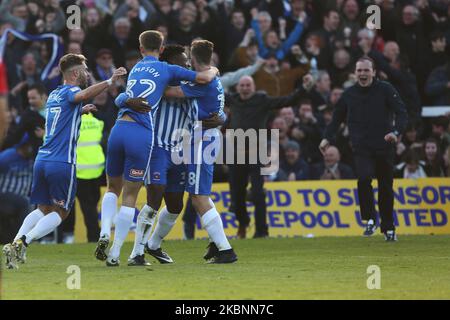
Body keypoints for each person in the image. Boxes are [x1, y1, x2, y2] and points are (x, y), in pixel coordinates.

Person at [97, 31, 219, 267]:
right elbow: (204, 79)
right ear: (165, 55)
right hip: (155, 146)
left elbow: (209, 102)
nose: (185, 64)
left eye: (187, 61)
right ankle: (136, 253)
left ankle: (149, 245)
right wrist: (213, 70)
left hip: (176, 150)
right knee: (152, 197)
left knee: (174, 204)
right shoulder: (165, 78)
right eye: (182, 61)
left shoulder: (169, 79)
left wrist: (219, 116)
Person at [2, 53, 127, 269]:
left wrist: (80, 111)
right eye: (85, 70)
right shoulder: (72, 91)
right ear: (76, 73)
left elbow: (66, 113)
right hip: (61, 162)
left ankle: (14, 243)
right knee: (61, 212)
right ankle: (25, 241)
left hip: (42, 159)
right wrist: (110, 80)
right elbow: (82, 95)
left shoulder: (54, 94)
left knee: (43, 208)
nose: (87, 74)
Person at [164, 40, 238, 264]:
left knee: (198, 197)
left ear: (193, 59)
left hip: (202, 142)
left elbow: (170, 92)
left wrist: (149, 79)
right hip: (204, 138)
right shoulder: (212, 78)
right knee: (200, 193)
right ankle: (218, 243)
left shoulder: (203, 82)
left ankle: (226, 250)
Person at [320, 57, 408, 241]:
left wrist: (396, 132)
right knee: (363, 178)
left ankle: (388, 227)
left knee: (385, 188)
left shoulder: (386, 89)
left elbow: (402, 112)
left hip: (384, 146)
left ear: (374, 72)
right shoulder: (349, 94)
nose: (362, 74)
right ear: (355, 73)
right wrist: (327, 137)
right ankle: (369, 219)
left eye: (366, 70)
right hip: (361, 146)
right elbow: (336, 119)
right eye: (359, 70)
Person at [226, 74, 314, 239]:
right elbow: (212, 93)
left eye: (248, 85)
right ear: (238, 88)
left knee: (258, 193)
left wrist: (304, 88)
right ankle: (243, 224)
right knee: (237, 195)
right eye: (242, 85)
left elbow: (287, 100)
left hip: (257, 153)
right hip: (235, 153)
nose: (245, 88)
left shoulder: (262, 100)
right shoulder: (232, 99)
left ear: (253, 87)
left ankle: (261, 231)